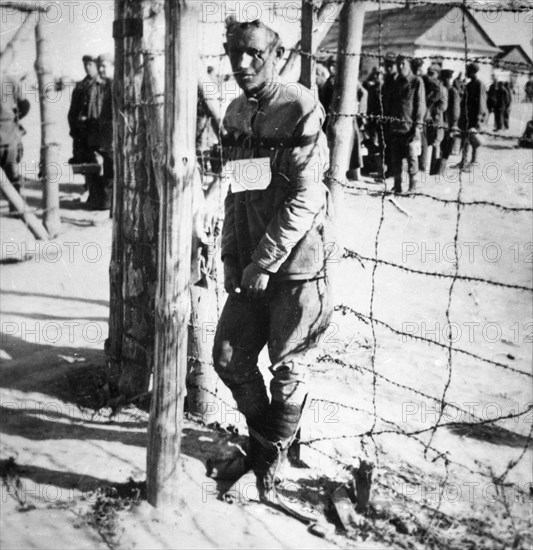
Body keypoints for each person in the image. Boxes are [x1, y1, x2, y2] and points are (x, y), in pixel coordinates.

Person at [212, 17, 335, 501]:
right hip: (250, 267)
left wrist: (263, 262)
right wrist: (228, 254)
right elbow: (239, 192)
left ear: (277, 54)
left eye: (255, 54)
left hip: (298, 267)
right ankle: (270, 447)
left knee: (289, 371)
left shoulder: (299, 106)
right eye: (235, 53)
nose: (243, 63)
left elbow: (304, 200)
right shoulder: (238, 113)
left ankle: (265, 460)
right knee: (227, 356)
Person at [387, 55, 426, 193]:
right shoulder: (396, 82)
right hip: (396, 127)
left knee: (412, 158)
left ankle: (413, 187)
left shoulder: (416, 81)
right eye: (398, 64)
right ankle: (397, 186)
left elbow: (420, 105)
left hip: (410, 128)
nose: (400, 67)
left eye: (403, 64)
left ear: (409, 65)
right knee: (395, 159)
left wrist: (417, 126)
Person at [0, 76, 30, 213]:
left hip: (9, 136)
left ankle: (16, 208)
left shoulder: (10, 81)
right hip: (8, 134)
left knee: (11, 171)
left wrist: (14, 118)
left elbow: (24, 105)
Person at [457, 63, 487, 170]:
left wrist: (479, 117)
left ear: (472, 72)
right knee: (465, 138)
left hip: (475, 117)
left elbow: (481, 103)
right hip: (467, 116)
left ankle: (474, 162)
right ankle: (463, 160)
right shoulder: (469, 85)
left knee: (474, 139)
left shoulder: (480, 84)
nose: (466, 73)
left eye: (468, 71)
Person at [440, 69, 461, 163]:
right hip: (441, 122)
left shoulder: (453, 91)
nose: (444, 81)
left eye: (446, 79)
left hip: (448, 123)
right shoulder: (441, 89)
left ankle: (441, 167)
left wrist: (454, 124)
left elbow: (456, 110)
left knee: (446, 147)